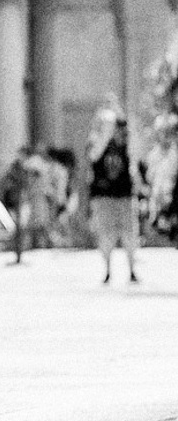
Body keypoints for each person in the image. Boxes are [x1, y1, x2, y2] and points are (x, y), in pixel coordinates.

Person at [87, 100, 140, 284]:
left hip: (124, 194)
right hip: (103, 195)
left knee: (129, 234)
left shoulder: (125, 139)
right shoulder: (96, 139)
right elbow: (94, 156)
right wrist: (106, 132)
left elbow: (134, 155)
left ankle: (132, 270)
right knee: (106, 234)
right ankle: (108, 270)